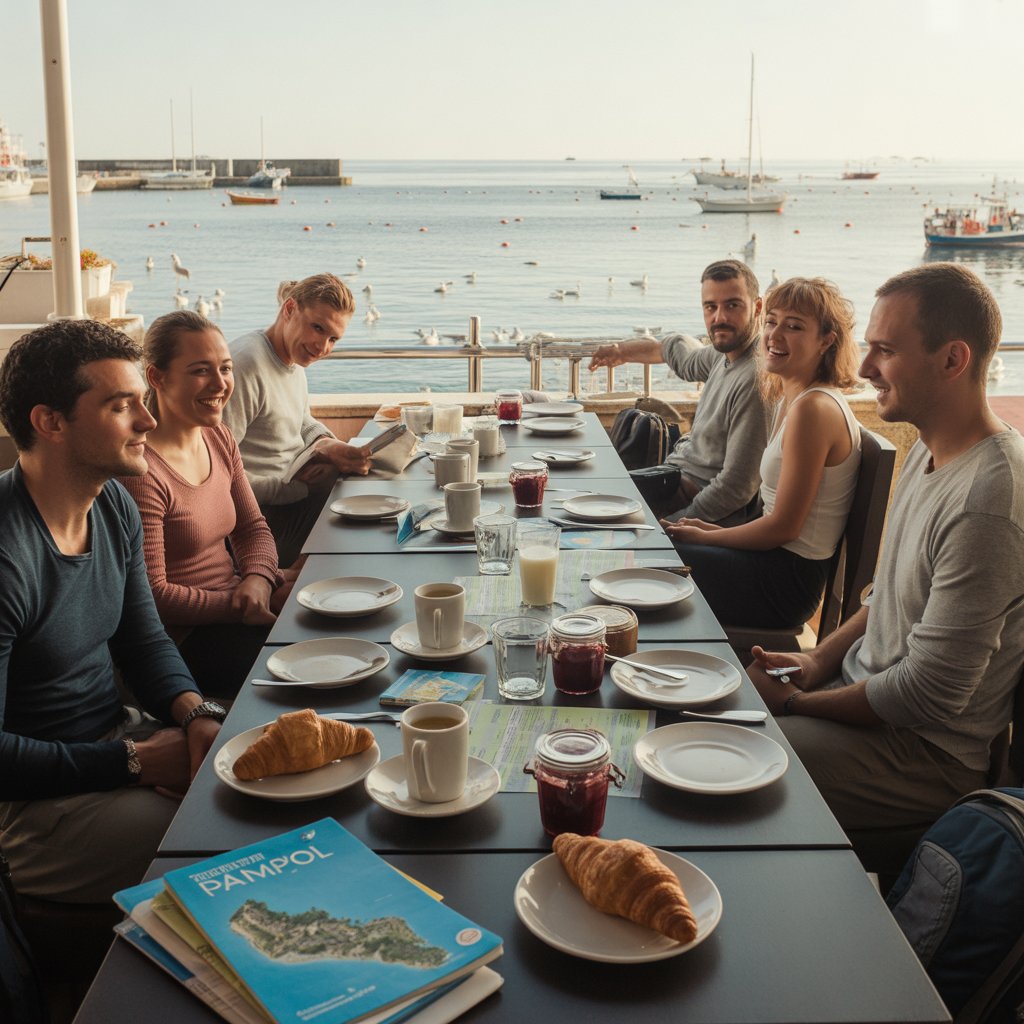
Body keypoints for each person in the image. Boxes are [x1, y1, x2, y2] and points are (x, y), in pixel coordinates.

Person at [748, 263, 1024, 832]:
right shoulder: (931, 451)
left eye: (885, 350)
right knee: (711, 722)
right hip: (864, 703)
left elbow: (926, 694)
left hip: (924, 758)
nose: (867, 367)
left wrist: (796, 704)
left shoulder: (988, 499)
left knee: (732, 761)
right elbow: (885, 599)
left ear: (953, 360)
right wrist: (814, 661)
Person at [0, 320, 225, 903]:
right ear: (50, 422)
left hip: (121, 743)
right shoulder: (8, 554)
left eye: (142, 403)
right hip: (33, 812)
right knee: (231, 832)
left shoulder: (112, 506)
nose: (148, 423)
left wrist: (194, 712)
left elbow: (144, 642)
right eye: (122, 406)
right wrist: (134, 763)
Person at [663, 277, 863, 630]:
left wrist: (709, 537)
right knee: (652, 551)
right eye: (771, 321)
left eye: (795, 326)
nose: (775, 335)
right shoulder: (795, 399)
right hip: (771, 564)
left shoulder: (813, 409)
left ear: (826, 341)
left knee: (648, 561)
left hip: (782, 583)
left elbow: (784, 527)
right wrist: (708, 531)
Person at [120, 311, 295, 698]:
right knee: (306, 658)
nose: (219, 384)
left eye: (226, 368)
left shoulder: (218, 436)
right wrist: (239, 602)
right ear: (156, 376)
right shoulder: (141, 472)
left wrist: (258, 578)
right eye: (201, 371)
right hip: (186, 641)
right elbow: (156, 596)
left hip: (238, 603)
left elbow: (253, 527)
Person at [588, 259, 769, 526]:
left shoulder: (756, 378)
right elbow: (679, 353)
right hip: (672, 475)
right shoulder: (723, 355)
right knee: (586, 489)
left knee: (594, 514)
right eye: (710, 307)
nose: (719, 318)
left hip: (695, 501)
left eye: (732, 305)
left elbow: (736, 488)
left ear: (757, 308)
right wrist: (621, 351)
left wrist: (674, 525)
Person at [223, 273, 372, 568]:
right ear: (289, 309)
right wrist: (301, 490)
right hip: (255, 522)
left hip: (287, 501)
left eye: (333, 339)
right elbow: (218, 477)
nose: (322, 347)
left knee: (368, 492)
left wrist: (327, 445)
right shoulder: (246, 365)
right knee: (361, 525)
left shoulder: (292, 361)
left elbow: (299, 419)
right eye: (317, 328)